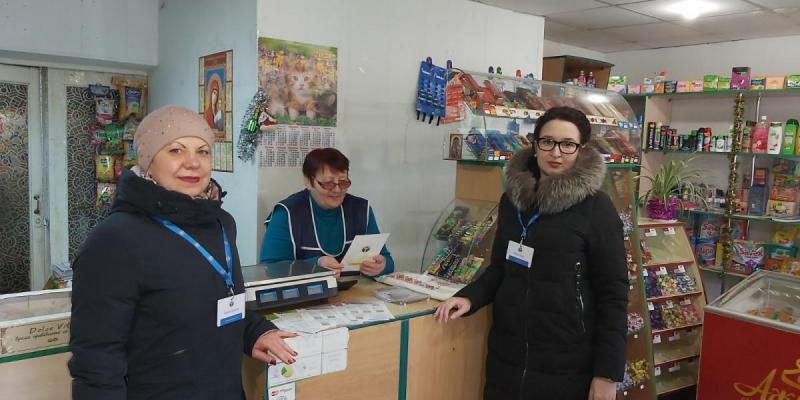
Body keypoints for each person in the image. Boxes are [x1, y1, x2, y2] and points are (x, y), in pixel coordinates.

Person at [69, 106, 297, 400]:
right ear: (148, 161)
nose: (193, 163)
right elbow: (97, 359)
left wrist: (253, 332)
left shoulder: (221, 223)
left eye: (203, 151)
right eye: (176, 150)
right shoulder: (114, 240)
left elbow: (215, 305)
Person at [435, 107, 628, 400]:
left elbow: (613, 294)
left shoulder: (596, 208)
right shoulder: (513, 201)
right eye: (547, 142)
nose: (556, 153)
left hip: (567, 364)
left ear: (581, 150)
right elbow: (500, 268)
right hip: (507, 358)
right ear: (535, 145)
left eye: (568, 144)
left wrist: (607, 374)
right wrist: (469, 297)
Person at [260, 148, 394, 278]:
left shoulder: (361, 209)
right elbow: (270, 268)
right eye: (328, 183)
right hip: (308, 292)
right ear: (308, 181)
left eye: (343, 182)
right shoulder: (287, 213)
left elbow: (387, 260)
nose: (337, 190)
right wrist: (315, 264)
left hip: (357, 291)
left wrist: (382, 266)